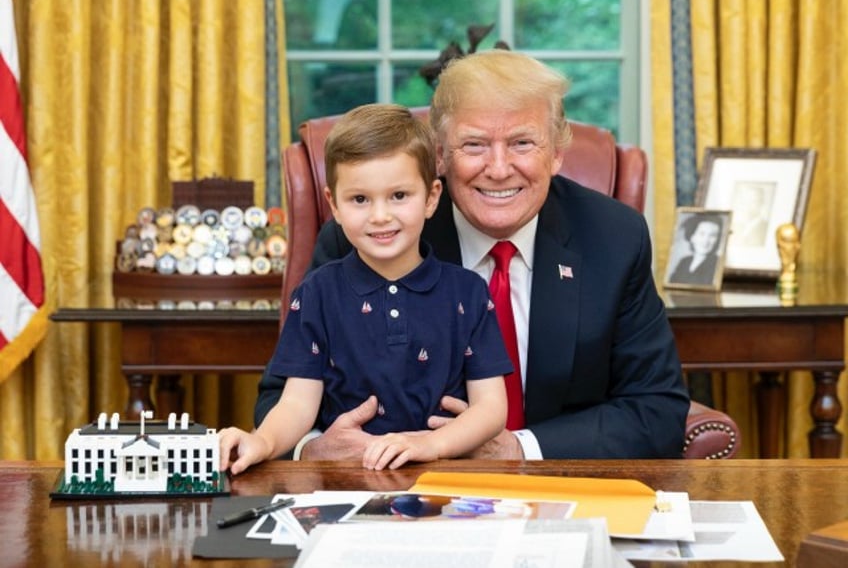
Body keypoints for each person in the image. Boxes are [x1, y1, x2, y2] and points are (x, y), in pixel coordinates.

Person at [256, 49, 690, 459]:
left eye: (522, 143)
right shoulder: (370, 237)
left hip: (557, 490)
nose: (499, 169)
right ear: (440, 156)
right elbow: (282, 397)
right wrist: (318, 449)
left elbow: (657, 409)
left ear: (557, 153)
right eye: (475, 145)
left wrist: (519, 449)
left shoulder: (613, 237)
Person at [220, 104, 512, 473]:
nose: (380, 216)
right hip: (344, 484)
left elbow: (491, 408)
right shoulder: (317, 294)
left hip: (445, 478)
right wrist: (262, 441)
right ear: (334, 205)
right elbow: (297, 404)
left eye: (399, 196)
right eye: (360, 199)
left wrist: (429, 444)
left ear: (432, 197)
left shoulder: (468, 293)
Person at [667, 214, 723, 286]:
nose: (706, 241)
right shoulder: (684, 261)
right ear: (692, 236)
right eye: (702, 234)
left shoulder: (717, 264)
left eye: (712, 235)